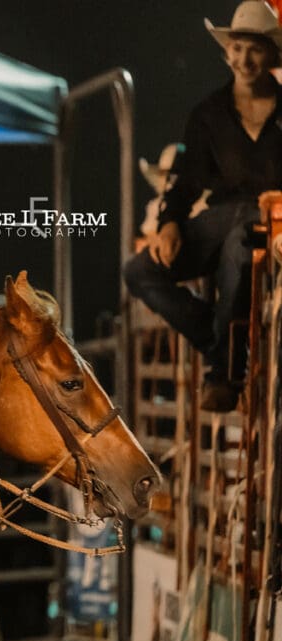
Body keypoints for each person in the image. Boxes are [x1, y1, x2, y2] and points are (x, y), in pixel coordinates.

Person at [124, 0, 282, 412]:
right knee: (139, 269)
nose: (245, 58)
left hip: (270, 218)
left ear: (272, 55)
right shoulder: (209, 113)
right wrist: (170, 222)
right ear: (227, 52)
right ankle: (220, 344)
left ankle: (224, 375)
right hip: (224, 213)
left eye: (256, 48)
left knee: (237, 254)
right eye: (238, 47)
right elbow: (188, 179)